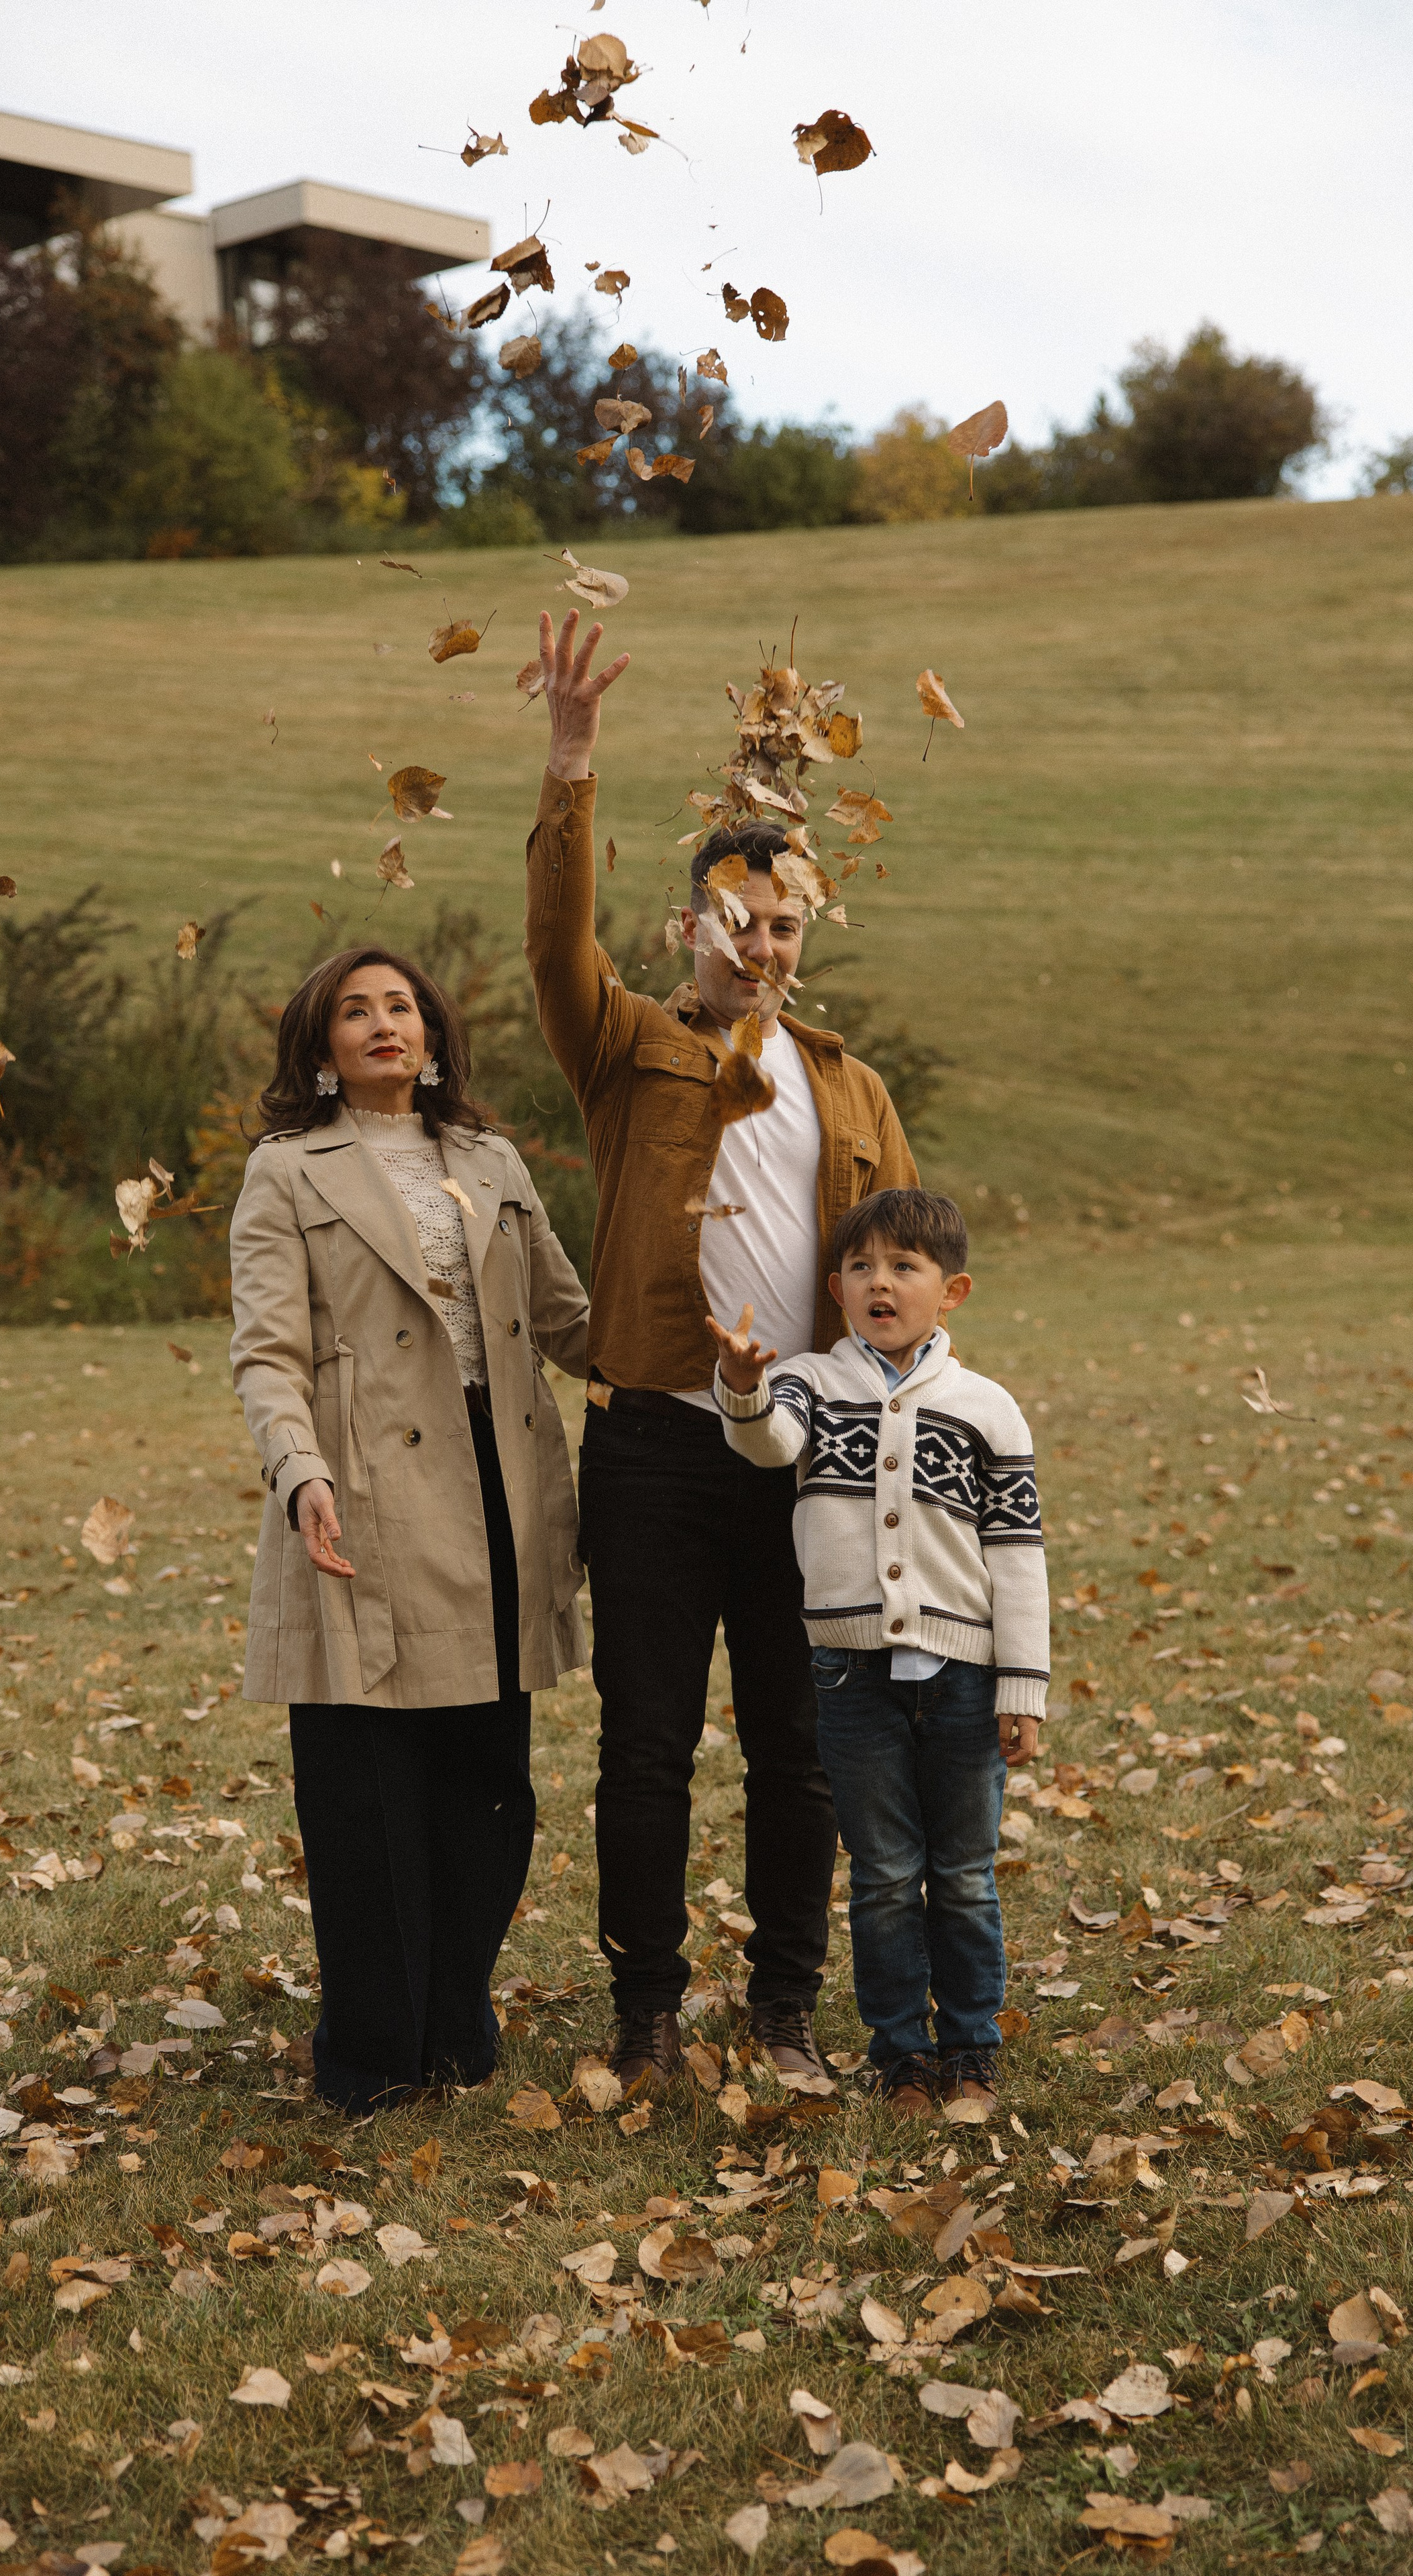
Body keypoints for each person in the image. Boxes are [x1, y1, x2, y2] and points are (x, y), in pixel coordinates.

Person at [524, 608, 920, 2093]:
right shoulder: (622, 1046)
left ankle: (784, 2012)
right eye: (738, 920)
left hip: (806, 1451)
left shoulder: (849, 1084)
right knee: (644, 1748)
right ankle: (645, 2020)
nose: (762, 943)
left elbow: (903, 1279)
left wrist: (894, 1423)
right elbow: (551, 935)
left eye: (784, 926)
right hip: (650, 1449)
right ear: (689, 925)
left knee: (797, 1750)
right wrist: (570, 767)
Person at [229, 943, 589, 2113]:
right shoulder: (286, 1171)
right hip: (363, 1493)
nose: (385, 1024)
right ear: (321, 1045)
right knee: (368, 1794)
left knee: (491, 1788)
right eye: (355, 1010)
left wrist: (709, 1343)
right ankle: (373, 2054)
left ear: (433, 1033)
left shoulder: (493, 1161)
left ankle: (457, 2024)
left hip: (501, 1489)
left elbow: (570, 1320)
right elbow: (268, 1353)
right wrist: (299, 1471)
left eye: (403, 1006)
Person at [706, 1187, 1049, 2113]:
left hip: (968, 1678)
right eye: (861, 1268)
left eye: (904, 1267)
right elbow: (766, 1443)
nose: (880, 1284)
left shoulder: (988, 1410)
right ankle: (901, 2054)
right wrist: (741, 1380)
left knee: (967, 1877)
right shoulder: (813, 1383)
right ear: (836, 1287)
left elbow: (1017, 1557)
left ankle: (972, 2047)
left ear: (954, 1290)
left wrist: (1023, 1684)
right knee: (888, 1876)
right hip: (851, 1674)